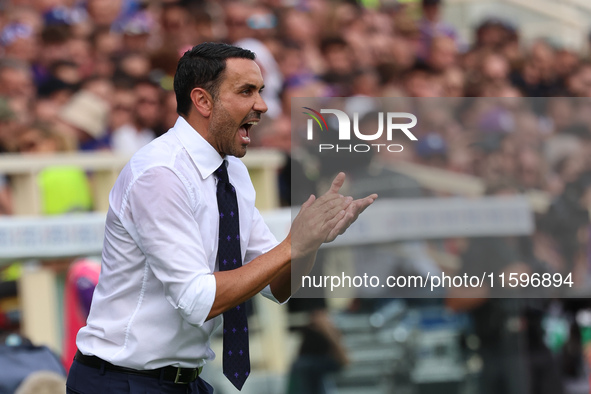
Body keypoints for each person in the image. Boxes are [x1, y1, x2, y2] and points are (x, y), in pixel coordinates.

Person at [65, 42, 377, 394]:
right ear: (203, 101)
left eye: (260, 91)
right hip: (121, 382)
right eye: (246, 91)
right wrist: (292, 245)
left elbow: (278, 287)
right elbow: (198, 301)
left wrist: (309, 243)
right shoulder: (160, 174)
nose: (262, 105)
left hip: (182, 381)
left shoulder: (233, 172)